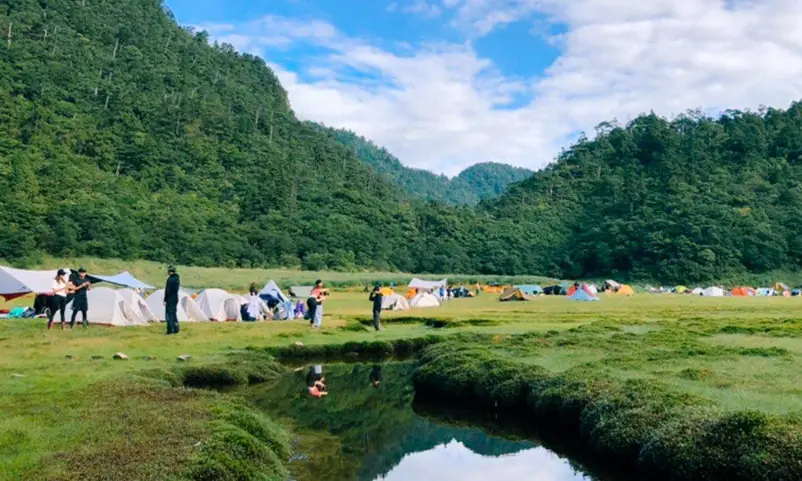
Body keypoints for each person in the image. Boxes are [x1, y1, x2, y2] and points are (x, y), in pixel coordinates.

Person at [164, 265, 180, 335]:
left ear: (170, 271)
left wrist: (165, 299)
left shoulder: (170, 279)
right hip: (175, 298)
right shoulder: (177, 279)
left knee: (169, 315)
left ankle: (170, 330)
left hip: (170, 299)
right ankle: (176, 328)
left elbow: (167, 291)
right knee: (174, 313)